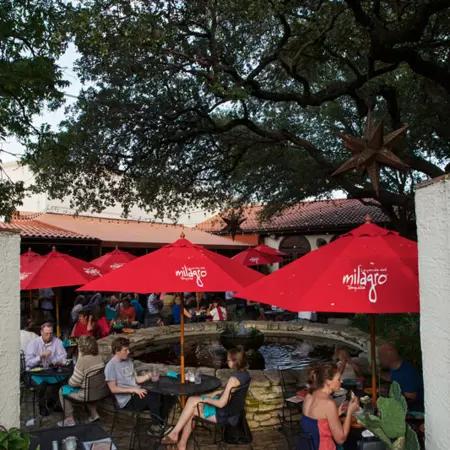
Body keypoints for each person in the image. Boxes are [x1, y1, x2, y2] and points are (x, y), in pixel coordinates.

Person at [162, 348, 251, 449]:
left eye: (228, 360)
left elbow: (221, 403)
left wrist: (205, 400)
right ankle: (180, 442)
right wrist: (215, 393)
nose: (227, 362)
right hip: (233, 412)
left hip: (224, 414)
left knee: (191, 404)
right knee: (191, 406)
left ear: (235, 361)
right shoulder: (245, 375)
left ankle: (176, 436)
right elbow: (231, 391)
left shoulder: (233, 379)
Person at [105, 337, 171, 426]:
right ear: (117, 351)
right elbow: (113, 389)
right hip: (127, 400)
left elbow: (135, 379)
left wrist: (148, 375)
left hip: (136, 392)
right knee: (153, 397)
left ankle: (162, 422)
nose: (128, 352)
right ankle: (156, 426)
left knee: (163, 393)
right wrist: (134, 390)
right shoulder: (110, 366)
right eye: (125, 350)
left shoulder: (128, 361)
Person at [299, 363, 360, 450]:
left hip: (307, 446)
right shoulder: (328, 403)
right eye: (338, 379)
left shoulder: (309, 395)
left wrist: (336, 414)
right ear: (328, 382)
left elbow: (315, 423)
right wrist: (350, 411)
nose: (341, 381)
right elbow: (341, 439)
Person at [58, 336, 108, 426]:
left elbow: (73, 383)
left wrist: (79, 358)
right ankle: (94, 414)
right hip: (100, 391)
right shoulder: (99, 357)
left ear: (81, 347)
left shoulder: (82, 361)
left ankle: (69, 419)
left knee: (62, 390)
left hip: (86, 395)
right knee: (88, 387)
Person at [25, 323, 68, 416]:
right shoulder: (34, 344)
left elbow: (63, 356)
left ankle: (53, 402)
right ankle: (42, 405)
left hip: (50, 370)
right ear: (41, 332)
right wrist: (40, 357)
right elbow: (28, 363)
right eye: (46, 334)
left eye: (51, 333)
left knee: (62, 380)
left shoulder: (57, 342)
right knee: (42, 385)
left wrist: (54, 360)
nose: (49, 336)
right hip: (34, 372)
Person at [378, 344, 424, 410]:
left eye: (380, 357)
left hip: (413, 409)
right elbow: (392, 377)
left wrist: (388, 391)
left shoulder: (408, 371)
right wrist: (377, 373)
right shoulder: (394, 367)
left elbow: (410, 397)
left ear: (388, 358)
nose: (380, 360)